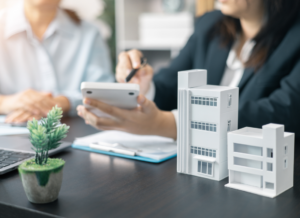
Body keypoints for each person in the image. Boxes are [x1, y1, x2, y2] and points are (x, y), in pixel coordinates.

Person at [77, 0, 300, 140]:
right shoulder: (209, 24)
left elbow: (283, 112)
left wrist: (170, 125)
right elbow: (173, 84)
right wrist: (144, 86)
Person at [0, 0, 114, 123]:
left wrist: (63, 102)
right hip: (10, 129)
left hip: (73, 129)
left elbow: (103, 93)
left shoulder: (90, 33)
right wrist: (6, 102)